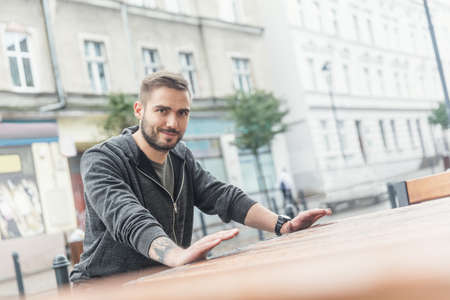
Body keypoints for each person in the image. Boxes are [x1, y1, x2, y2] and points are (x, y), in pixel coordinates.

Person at [70, 71, 331, 283]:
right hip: (105, 288)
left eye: (182, 112)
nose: (173, 122)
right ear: (139, 110)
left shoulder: (180, 156)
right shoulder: (102, 159)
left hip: (163, 279)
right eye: (162, 110)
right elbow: (128, 218)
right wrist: (176, 256)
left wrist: (283, 225)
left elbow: (222, 196)